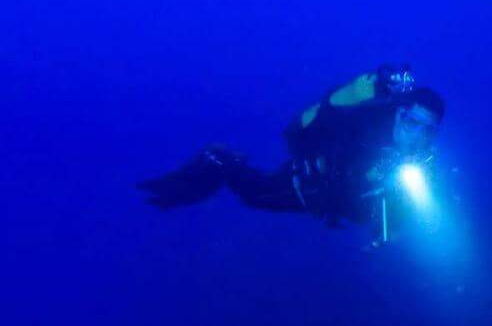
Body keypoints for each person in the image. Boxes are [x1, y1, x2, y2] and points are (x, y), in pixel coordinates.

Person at [138, 66, 446, 233]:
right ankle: (218, 160)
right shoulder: (365, 129)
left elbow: (391, 215)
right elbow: (331, 121)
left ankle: (215, 169)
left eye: (427, 128)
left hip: (327, 203)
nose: (416, 134)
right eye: (411, 122)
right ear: (398, 113)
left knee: (253, 196)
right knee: (252, 195)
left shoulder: (422, 159)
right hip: (308, 183)